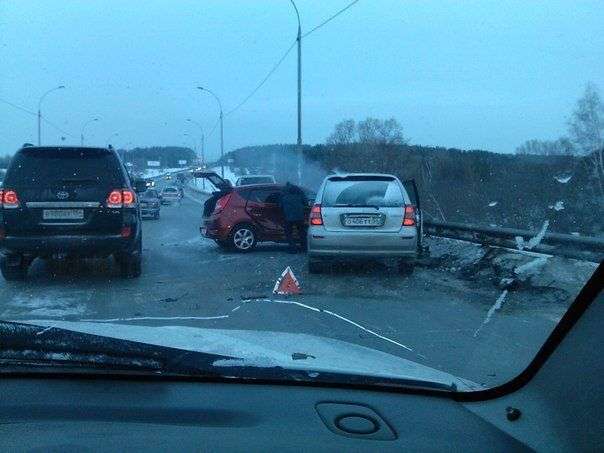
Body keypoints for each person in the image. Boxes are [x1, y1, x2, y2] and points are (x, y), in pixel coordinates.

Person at [280, 182, 308, 253]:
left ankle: (293, 248)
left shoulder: (284, 196)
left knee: (288, 233)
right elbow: (306, 203)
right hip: (299, 217)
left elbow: (280, 206)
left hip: (288, 218)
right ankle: (304, 248)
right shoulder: (299, 195)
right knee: (302, 233)